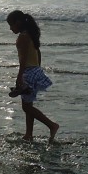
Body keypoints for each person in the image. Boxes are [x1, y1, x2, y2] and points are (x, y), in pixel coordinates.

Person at [6, 10, 60, 142]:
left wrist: (19, 77)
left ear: (18, 23)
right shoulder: (30, 35)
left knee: (26, 106)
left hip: (29, 72)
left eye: (11, 25)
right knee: (28, 104)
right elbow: (38, 52)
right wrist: (38, 69)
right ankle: (28, 135)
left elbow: (23, 60)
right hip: (34, 70)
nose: (10, 28)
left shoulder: (23, 37)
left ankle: (52, 125)